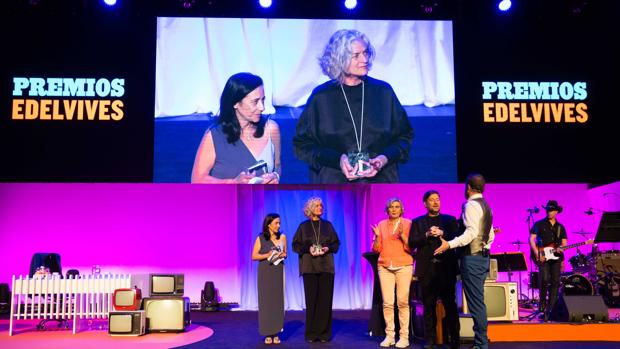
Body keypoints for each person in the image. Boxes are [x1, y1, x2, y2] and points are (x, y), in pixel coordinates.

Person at [293, 29, 413, 184]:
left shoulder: (383, 92)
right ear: (339, 59)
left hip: (380, 177)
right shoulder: (321, 97)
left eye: (366, 53)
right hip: (334, 177)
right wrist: (338, 160)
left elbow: (404, 137)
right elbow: (303, 145)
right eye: (356, 56)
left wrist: (383, 159)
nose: (365, 59)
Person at [435, 174, 495, 349]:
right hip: (482, 257)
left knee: (476, 303)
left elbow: (470, 234)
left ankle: (481, 344)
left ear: (468, 187)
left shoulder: (470, 205)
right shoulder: (487, 206)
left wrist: (449, 244)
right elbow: (489, 234)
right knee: (478, 301)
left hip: (473, 258)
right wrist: (485, 247)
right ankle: (480, 342)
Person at [191, 72, 281, 184]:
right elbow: (197, 180)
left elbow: (278, 166)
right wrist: (233, 183)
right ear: (235, 103)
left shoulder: (271, 129)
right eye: (255, 102)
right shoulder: (214, 136)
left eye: (263, 100)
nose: (262, 107)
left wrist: (276, 175)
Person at [409, 190, 460, 349]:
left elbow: (458, 237)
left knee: (450, 305)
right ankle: (430, 340)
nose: (436, 202)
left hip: (446, 268)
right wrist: (426, 234)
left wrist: (442, 232)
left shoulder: (449, 220)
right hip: (427, 269)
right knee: (428, 306)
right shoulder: (417, 222)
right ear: (425, 204)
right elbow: (412, 242)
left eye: (437, 199)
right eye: (432, 200)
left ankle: (454, 340)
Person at [292, 197, 340, 343]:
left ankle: (324, 334)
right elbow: (295, 245)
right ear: (310, 208)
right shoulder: (303, 226)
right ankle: (312, 334)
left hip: (326, 266)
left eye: (321, 205)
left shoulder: (328, 225)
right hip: (309, 267)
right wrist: (308, 248)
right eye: (317, 205)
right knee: (311, 301)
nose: (320, 208)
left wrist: (327, 248)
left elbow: (336, 244)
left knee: (325, 301)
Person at [371, 198, 413, 348]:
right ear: (387, 210)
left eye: (397, 207)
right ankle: (390, 336)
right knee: (388, 303)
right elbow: (376, 249)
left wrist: (402, 236)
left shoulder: (408, 224)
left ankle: (404, 336)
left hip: (404, 266)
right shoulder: (381, 225)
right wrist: (377, 236)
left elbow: (411, 248)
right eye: (391, 207)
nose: (394, 209)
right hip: (385, 266)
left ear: (401, 209)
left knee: (402, 302)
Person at [252, 213, 287, 344]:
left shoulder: (282, 237)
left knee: (277, 301)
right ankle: (267, 332)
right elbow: (254, 256)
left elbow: (285, 254)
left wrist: (281, 254)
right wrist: (268, 254)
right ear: (269, 225)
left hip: (278, 271)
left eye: (279, 223)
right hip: (265, 271)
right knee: (266, 301)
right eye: (276, 223)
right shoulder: (260, 238)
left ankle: (276, 331)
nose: (278, 225)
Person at [529, 200, 567, 321]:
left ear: (556, 211)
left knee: (555, 282)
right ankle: (542, 306)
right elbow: (531, 239)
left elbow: (564, 243)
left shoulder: (561, 227)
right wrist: (536, 253)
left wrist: (562, 256)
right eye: (547, 210)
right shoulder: (539, 224)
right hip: (543, 256)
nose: (549, 212)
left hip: (556, 257)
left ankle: (551, 309)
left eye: (551, 210)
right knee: (544, 280)